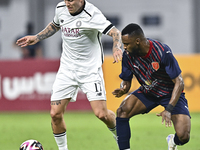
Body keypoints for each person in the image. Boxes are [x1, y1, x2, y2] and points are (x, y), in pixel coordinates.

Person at [16, 0, 122, 150]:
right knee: (55, 114)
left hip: (89, 71)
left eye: (71, 0)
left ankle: (121, 137)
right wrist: (37, 37)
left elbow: (115, 32)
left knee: (102, 114)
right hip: (67, 70)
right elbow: (55, 24)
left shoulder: (92, 14)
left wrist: (116, 47)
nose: (68, 3)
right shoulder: (61, 8)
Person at [112, 23, 191, 150]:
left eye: (126, 44)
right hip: (148, 91)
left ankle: (173, 141)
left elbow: (179, 82)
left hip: (170, 93)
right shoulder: (127, 55)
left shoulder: (162, 51)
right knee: (122, 110)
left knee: (184, 136)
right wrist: (123, 88)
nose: (124, 47)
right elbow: (126, 81)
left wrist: (169, 109)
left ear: (137, 41)